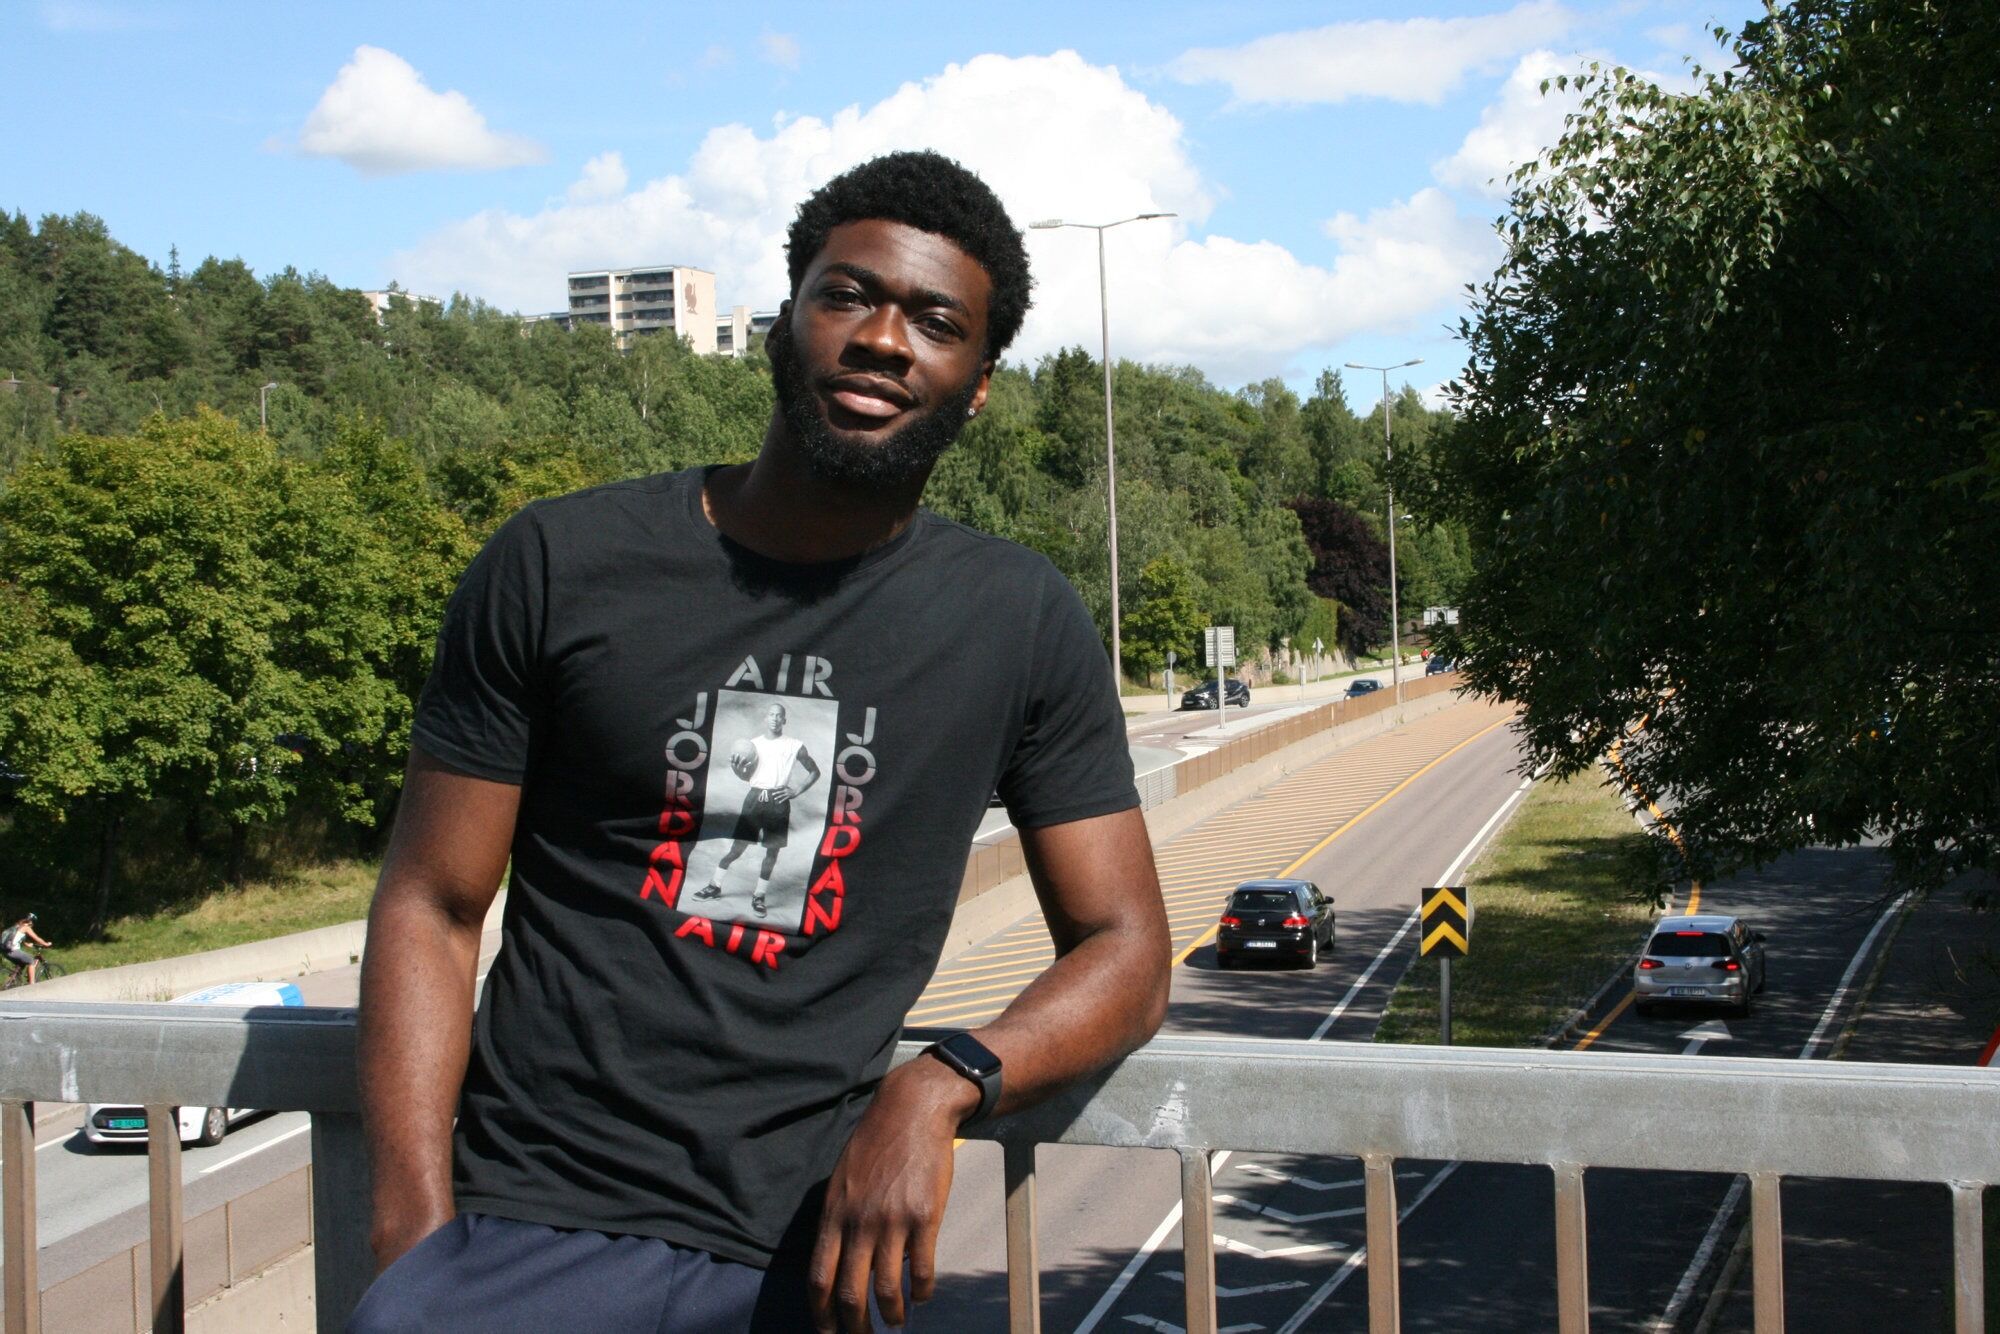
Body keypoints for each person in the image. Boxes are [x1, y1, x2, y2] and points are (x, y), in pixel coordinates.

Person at [353, 150, 1171, 1334]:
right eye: (847, 295)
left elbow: (1126, 950)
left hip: (810, 1267)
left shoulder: (1018, 620)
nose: (883, 339)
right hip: (520, 1236)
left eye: (935, 322)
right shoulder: (560, 564)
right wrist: (414, 1243)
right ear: (784, 323)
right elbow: (431, 901)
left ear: (978, 384)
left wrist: (943, 1081)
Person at [696, 702, 823, 918]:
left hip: (778, 801)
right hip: (754, 799)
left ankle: (759, 896)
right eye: (771, 714)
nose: (774, 718)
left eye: (779, 715)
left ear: (784, 720)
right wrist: (736, 770)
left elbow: (814, 771)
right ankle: (714, 886)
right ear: (766, 718)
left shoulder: (795, 745)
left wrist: (796, 791)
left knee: (772, 851)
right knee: (737, 848)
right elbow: (746, 777)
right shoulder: (752, 745)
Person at [2, 913, 50, 984]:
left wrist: (28, 944)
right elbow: (37, 938)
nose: (32, 924)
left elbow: (17, 939)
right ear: (30, 921)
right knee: (31, 961)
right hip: (12, 951)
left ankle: (12, 980)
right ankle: (31, 984)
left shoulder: (16, 926)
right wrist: (46, 944)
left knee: (22, 963)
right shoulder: (26, 928)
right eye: (32, 922)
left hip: (4, 950)